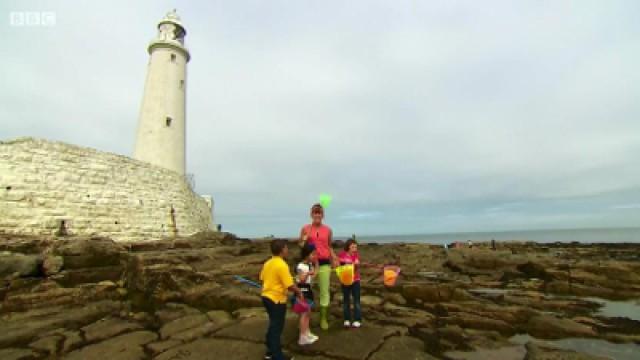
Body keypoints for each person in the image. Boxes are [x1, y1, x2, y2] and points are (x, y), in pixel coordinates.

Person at [260, 239, 303, 360]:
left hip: (266, 297)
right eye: (286, 248)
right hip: (276, 300)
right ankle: (277, 356)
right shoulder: (282, 265)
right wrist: (299, 292)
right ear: (281, 250)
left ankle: (269, 351)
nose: (287, 250)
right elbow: (289, 285)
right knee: (276, 328)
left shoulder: (268, 263)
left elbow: (263, 278)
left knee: (273, 325)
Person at [299, 203, 337, 330]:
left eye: (319, 212)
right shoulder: (305, 228)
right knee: (304, 290)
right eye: (315, 212)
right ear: (311, 214)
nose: (317, 215)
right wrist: (304, 240)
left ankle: (323, 318)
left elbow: (329, 246)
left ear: (322, 215)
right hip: (310, 264)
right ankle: (304, 317)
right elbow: (301, 246)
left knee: (324, 291)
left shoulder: (328, 230)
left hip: (325, 263)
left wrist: (334, 258)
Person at [295, 243, 319, 345]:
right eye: (313, 254)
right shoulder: (301, 265)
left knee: (308, 312)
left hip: (308, 289)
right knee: (304, 314)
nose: (314, 256)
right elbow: (301, 279)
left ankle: (307, 332)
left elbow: (312, 277)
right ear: (306, 255)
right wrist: (309, 273)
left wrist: (316, 265)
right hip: (302, 290)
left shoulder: (309, 265)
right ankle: (302, 337)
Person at [338, 239, 362, 328]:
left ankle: (357, 319)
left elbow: (355, 270)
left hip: (356, 280)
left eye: (356, 247)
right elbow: (338, 264)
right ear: (348, 247)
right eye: (353, 247)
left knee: (356, 301)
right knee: (346, 300)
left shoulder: (356, 255)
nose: (355, 249)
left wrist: (356, 265)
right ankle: (346, 319)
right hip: (345, 281)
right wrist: (345, 263)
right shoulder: (342, 254)